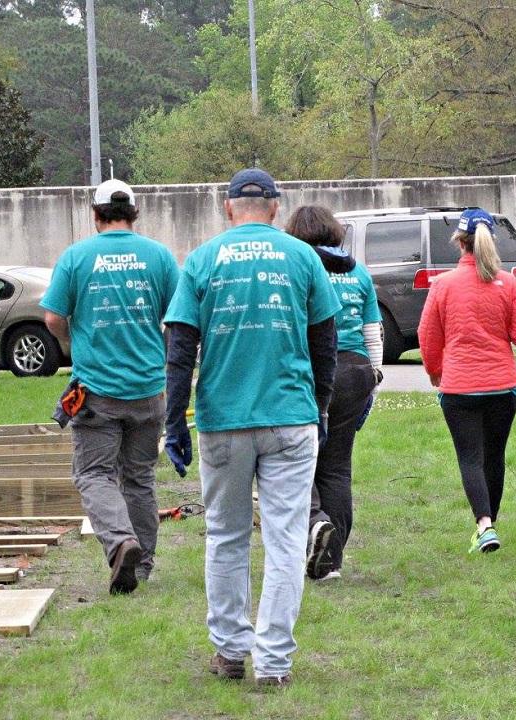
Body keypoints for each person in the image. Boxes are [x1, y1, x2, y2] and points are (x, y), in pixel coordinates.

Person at [162, 169, 341, 684]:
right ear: (276, 209)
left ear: (227, 208)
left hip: (224, 419)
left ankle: (231, 651)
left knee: (225, 535)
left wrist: (176, 423)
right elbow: (325, 344)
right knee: (285, 541)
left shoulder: (202, 259)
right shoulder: (302, 257)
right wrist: (321, 408)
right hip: (290, 417)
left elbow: (179, 351)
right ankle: (275, 663)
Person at [41, 179, 179, 595]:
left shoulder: (77, 257)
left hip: (96, 391)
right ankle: (142, 565)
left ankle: (121, 542)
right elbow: (177, 318)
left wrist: (75, 340)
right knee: (139, 478)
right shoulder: (159, 256)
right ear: (134, 212)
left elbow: (52, 318)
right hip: (148, 390)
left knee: (94, 474)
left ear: (95, 213)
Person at [418, 208, 516, 555]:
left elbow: (428, 337)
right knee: (494, 456)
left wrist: (435, 370)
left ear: (459, 242)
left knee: (470, 458)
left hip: (459, 387)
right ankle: (490, 526)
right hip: (501, 386)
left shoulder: (444, 286)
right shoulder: (508, 283)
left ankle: (485, 526)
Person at [285, 205, 384, 582]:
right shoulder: (356, 270)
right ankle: (332, 561)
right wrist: (374, 380)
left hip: (313, 370)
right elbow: (373, 329)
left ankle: (314, 529)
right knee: (338, 468)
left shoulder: (298, 267)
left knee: (301, 461)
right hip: (356, 370)